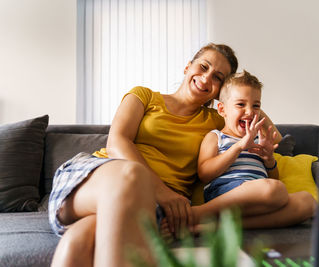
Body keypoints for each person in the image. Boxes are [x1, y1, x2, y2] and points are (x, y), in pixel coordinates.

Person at [48, 43, 240, 267]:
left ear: (221, 90)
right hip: (92, 180)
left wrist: (231, 95)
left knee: (78, 242)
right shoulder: (144, 96)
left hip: (149, 208)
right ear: (187, 67)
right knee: (132, 174)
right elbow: (117, 141)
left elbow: (254, 113)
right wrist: (162, 191)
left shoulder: (217, 121)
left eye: (217, 77)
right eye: (203, 66)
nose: (206, 79)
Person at [189, 70, 317, 229]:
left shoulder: (259, 140)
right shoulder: (216, 137)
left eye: (256, 105)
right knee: (274, 189)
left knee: (308, 202)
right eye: (240, 104)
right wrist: (239, 146)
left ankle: (213, 227)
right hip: (226, 194)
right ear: (222, 110)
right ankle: (198, 214)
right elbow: (204, 173)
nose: (249, 112)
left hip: (260, 199)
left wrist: (269, 159)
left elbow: (274, 179)